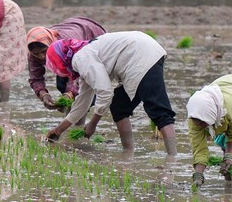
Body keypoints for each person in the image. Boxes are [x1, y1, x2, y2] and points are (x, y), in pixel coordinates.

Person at [43, 32, 177, 155]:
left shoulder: (81, 58)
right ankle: (128, 152)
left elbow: (105, 92)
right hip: (142, 50)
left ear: (60, 59)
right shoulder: (84, 57)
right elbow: (81, 105)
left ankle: (172, 159)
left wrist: (93, 124)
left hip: (139, 55)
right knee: (119, 107)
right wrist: (58, 131)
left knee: (158, 110)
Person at [26, 17, 106, 109]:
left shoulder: (66, 46)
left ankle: (78, 116)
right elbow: (35, 78)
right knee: (62, 86)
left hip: (89, 33)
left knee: (85, 91)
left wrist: (69, 94)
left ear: (50, 44)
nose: (42, 56)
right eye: (37, 54)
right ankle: (73, 117)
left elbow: (76, 75)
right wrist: (43, 95)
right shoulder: (32, 54)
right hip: (65, 47)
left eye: (44, 51)